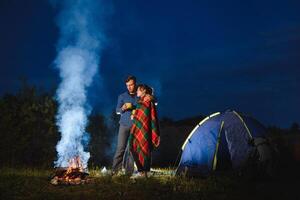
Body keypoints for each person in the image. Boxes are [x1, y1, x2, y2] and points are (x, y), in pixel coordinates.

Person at [129, 84, 160, 178]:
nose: (136, 92)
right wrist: (134, 117)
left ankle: (144, 171)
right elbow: (139, 117)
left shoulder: (148, 102)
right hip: (138, 129)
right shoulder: (140, 102)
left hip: (145, 130)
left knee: (145, 149)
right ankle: (142, 171)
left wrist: (134, 117)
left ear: (143, 91)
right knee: (132, 146)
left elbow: (152, 117)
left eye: (138, 90)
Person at [112, 75, 138, 175]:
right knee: (120, 148)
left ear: (135, 84)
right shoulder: (122, 96)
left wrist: (134, 107)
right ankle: (115, 171)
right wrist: (122, 108)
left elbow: (153, 101)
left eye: (131, 85)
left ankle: (128, 173)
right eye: (127, 85)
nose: (129, 87)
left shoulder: (139, 95)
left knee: (132, 149)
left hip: (135, 126)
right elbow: (117, 111)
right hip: (124, 125)